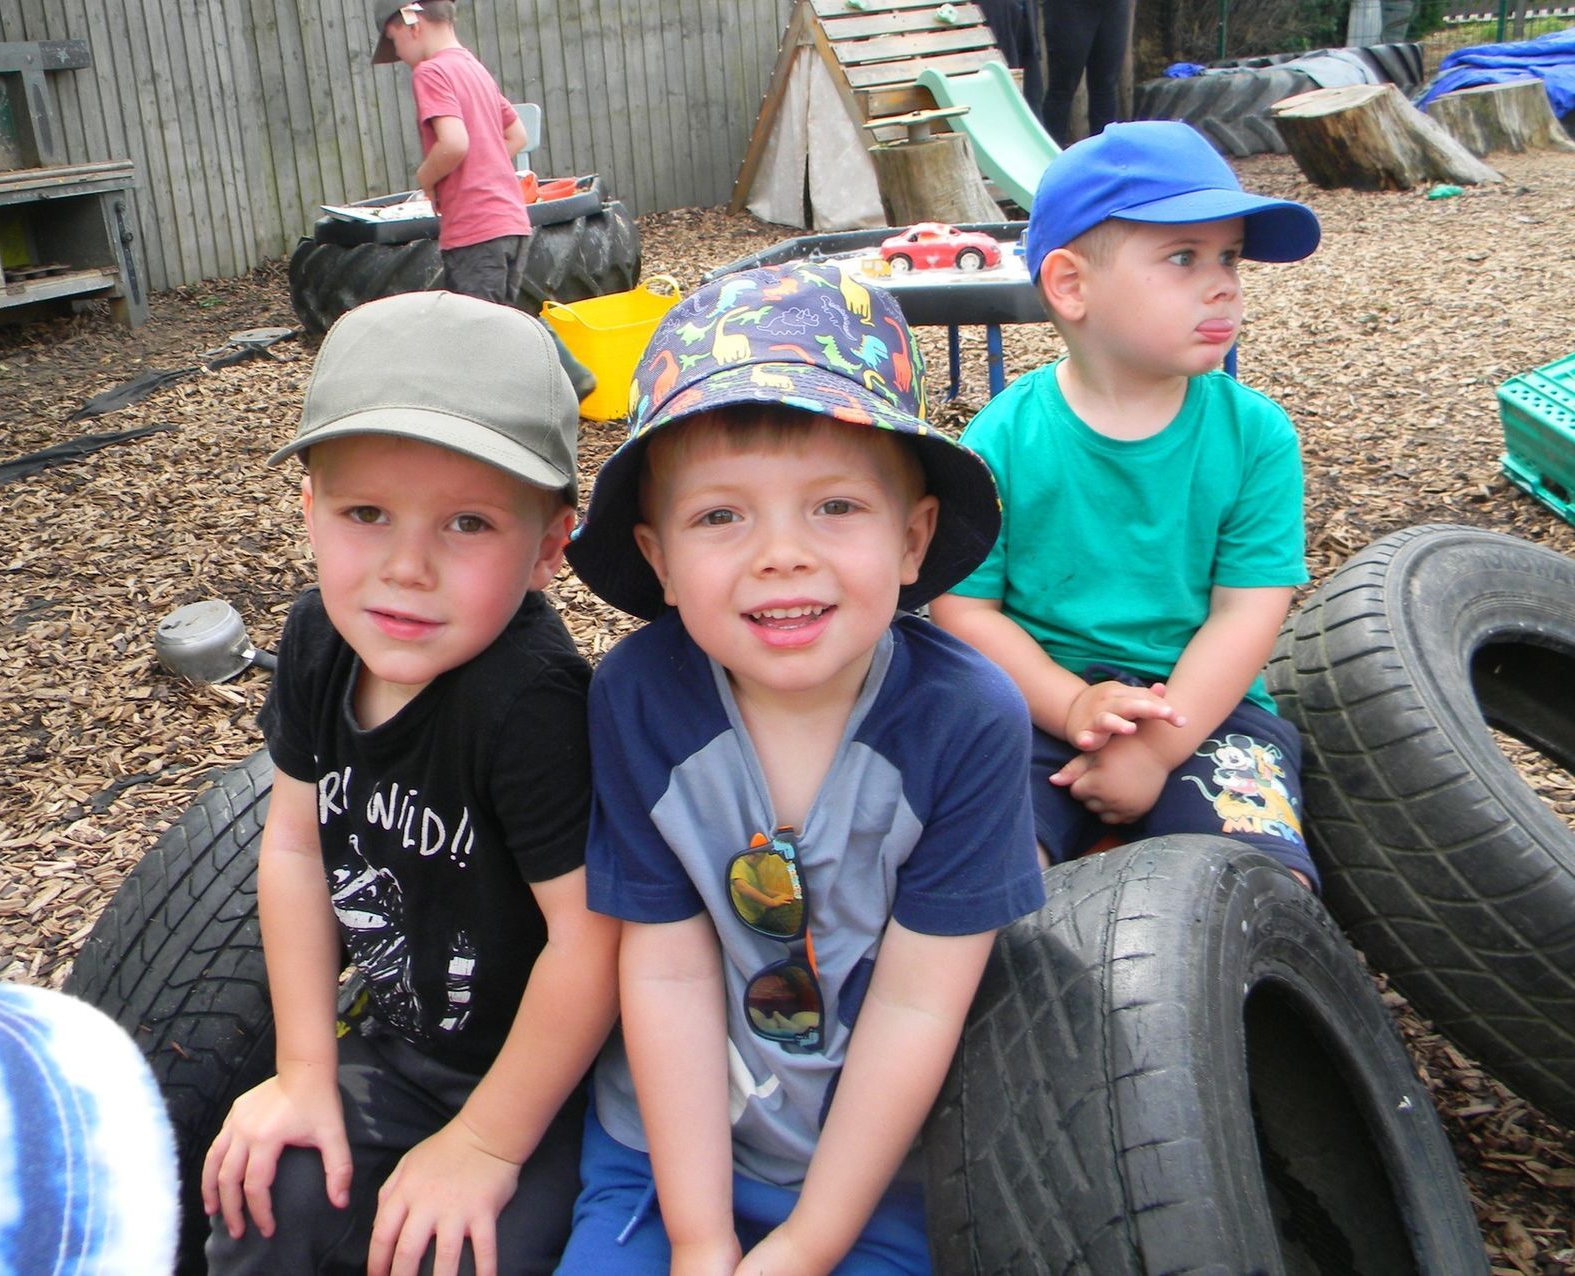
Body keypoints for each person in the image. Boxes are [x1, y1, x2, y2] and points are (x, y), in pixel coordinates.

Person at [558, 261, 1046, 1272]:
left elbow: (919, 1000)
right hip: (661, 1147)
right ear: (656, 558)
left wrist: (808, 1243)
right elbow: (666, 962)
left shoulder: (966, 721)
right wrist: (697, 1239)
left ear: (914, 539)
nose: (781, 554)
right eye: (720, 516)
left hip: (882, 1169)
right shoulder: (641, 699)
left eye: (834, 506)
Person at [200, 290, 619, 1275]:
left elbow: (590, 938)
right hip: (398, 1048)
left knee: (466, 1252)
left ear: (550, 547)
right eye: (365, 514)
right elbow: (298, 848)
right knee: (268, 1197)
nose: (405, 568)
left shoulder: (529, 704)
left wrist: (484, 1145)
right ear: (310, 511)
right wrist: (303, 1072)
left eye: (468, 523)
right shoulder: (317, 640)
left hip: (544, 1083)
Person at [928, 121, 1324, 890]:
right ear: (1071, 285)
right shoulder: (1005, 436)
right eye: (1183, 258)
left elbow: (1246, 613)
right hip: (1039, 703)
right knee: (981, 875)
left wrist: (1156, 750)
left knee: (1262, 887)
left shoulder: (1254, 436)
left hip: (1206, 713)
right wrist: (1073, 704)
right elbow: (966, 611)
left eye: (1229, 258)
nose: (1224, 285)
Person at [369, 0, 599, 400]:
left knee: (476, 333)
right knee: (502, 319)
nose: (401, 57)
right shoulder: (473, 67)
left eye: (394, 43)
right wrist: (485, 166)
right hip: (510, 218)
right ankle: (566, 378)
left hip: (474, 227)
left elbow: (454, 143)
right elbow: (516, 136)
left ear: (412, 24)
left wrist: (427, 177)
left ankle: (543, 391)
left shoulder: (431, 71)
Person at [1038, 0, 1129, 145]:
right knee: (1062, 88)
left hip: (1113, 6)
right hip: (1070, 7)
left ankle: (1102, 160)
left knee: (1105, 88)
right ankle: (1051, 159)